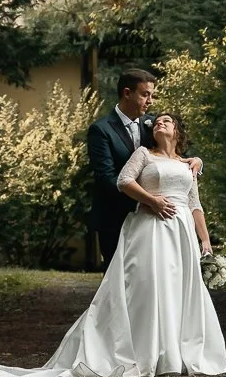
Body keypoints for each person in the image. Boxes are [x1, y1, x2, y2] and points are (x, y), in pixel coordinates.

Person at [0, 111, 226, 377]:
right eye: (158, 121)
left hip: (182, 231)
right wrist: (152, 201)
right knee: (149, 285)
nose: (160, 123)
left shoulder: (189, 164)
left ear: (178, 131)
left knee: (180, 288)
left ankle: (177, 352)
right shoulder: (143, 153)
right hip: (151, 228)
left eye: (167, 121)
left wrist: (205, 241)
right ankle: (151, 352)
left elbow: (194, 204)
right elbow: (123, 181)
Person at [85, 69, 201, 266]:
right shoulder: (101, 130)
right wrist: (146, 201)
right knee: (119, 280)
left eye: (152, 95)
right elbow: (107, 178)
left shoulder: (153, 123)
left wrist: (198, 161)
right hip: (115, 217)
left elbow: (176, 152)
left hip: (155, 220)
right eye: (145, 94)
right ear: (127, 93)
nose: (151, 101)